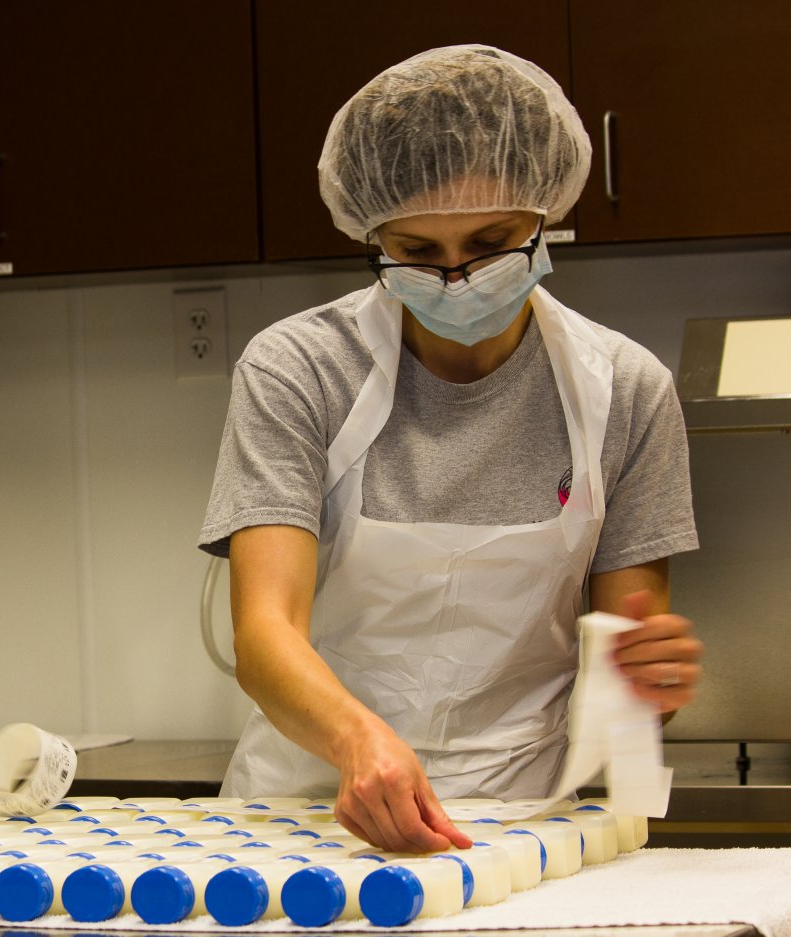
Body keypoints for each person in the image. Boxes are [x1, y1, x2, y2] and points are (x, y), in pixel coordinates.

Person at [198, 45, 702, 854]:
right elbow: (265, 635)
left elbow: (625, 659)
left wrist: (649, 681)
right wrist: (361, 745)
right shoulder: (297, 369)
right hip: (308, 814)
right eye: (418, 253)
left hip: (517, 827)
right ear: (374, 235)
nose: (457, 277)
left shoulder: (625, 389)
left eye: (491, 241)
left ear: (544, 219)